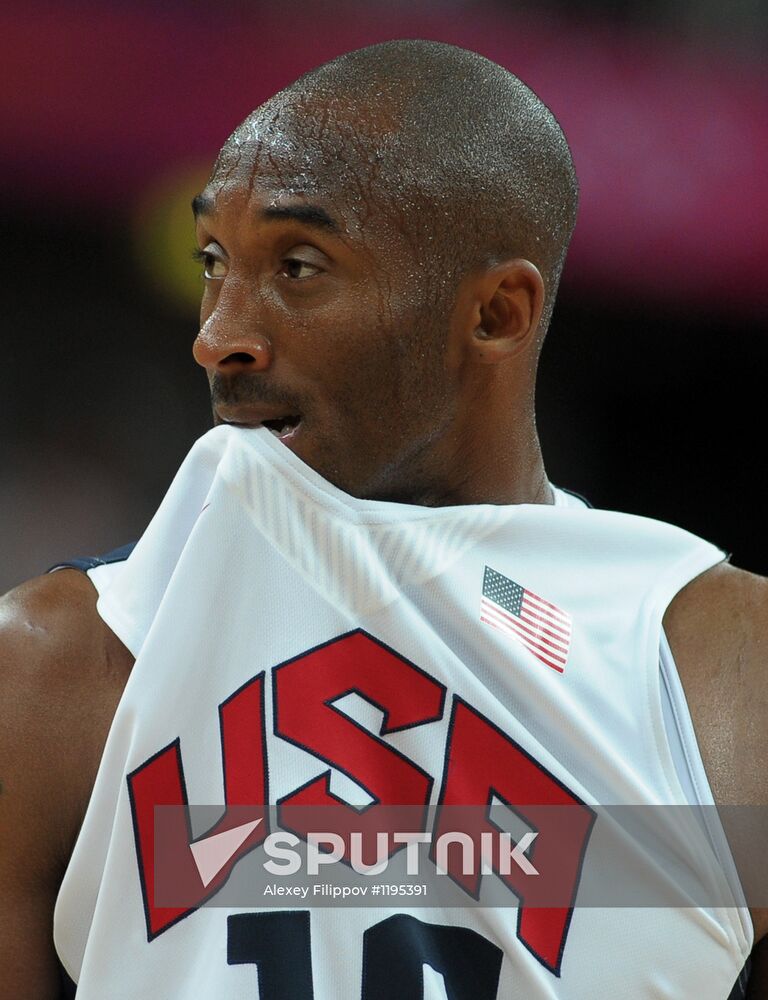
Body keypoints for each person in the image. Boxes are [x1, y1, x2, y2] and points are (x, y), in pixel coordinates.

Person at [0, 38, 765, 999]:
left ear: (495, 313)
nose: (217, 337)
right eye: (214, 260)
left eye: (299, 265)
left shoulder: (722, 664)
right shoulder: (58, 664)